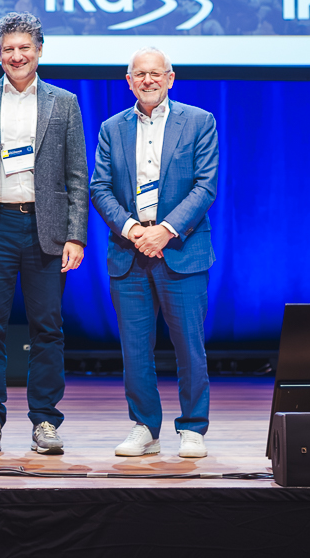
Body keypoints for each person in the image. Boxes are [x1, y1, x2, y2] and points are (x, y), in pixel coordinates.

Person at [0, 12, 87, 456]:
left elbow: (78, 176)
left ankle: (45, 420)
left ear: (40, 50)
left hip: (45, 228)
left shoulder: (63, 102)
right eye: (8, 48)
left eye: (25, 47)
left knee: (48, 328)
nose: (17, 55)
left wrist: (76, 235)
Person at [90, 47, 218, 458]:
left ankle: (193, 427)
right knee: (135, 349)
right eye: (139, 74)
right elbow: (100, 187)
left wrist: (164, 231)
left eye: (155, 73)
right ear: (129, 81)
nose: (148, 80)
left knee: (188, 346)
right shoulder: (112, 128)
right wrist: (132, 231)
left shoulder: (199, 122)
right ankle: (145, 426)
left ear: (170, 78)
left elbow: (205, 186)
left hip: (181, 249)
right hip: (130, 252)